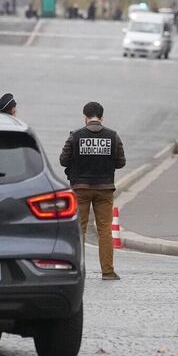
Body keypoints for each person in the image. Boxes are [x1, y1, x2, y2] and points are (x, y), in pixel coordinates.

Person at [59, 101, 126, 281]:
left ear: (85, 117)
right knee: (105, 230)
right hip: (104, 189)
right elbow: (121, 162)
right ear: (102, 117)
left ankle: (78, 270)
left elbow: (63, 160)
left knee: (79, 230)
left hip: (80, 188)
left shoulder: (76, 136)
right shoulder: (113, 136)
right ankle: (108, 271)